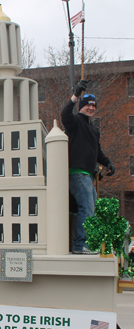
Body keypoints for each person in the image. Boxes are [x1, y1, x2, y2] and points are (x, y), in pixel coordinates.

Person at [61, 80, 115, 255]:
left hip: (88, 176)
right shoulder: (75, 122)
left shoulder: (94, 130)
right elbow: (64, 114)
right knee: (86, 208)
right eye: (87, 106)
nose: (91, 108)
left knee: (90, 210)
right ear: (81, 107)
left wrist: (107, 163)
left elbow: (97, 151)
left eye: (93, 106)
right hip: (77, 174)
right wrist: (75, 96)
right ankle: (80, 245)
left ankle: (86, 243)